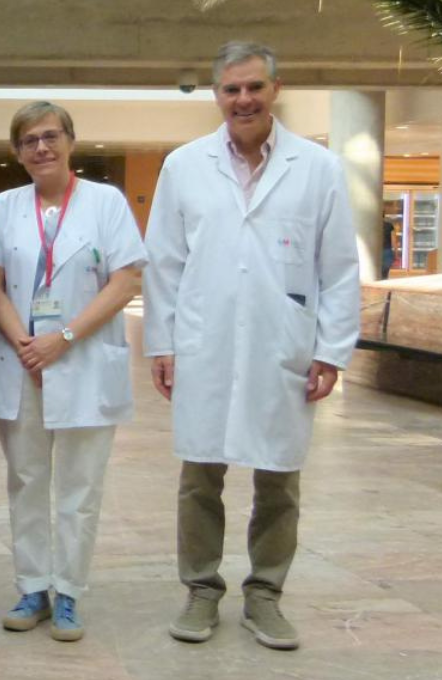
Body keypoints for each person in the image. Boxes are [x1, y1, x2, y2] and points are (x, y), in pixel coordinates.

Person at [144, 41, 360, 650]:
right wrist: (163, 343)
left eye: (254, 87)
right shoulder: (184, 165)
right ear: (216, 95)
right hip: (204, 342)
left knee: (279, 478)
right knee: (199, 476)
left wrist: (331, 350)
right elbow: (164, 262)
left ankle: (264, 593)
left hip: (282, 345)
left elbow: (338, 267)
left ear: (276, 89)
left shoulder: (317, 169)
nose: (243, 99)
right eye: (231, 89)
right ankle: (202, 589)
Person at [0, 101, 147, 641]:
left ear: (70, 141)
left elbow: (124, 282)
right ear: (17, 151)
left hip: (82, 360)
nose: (41, 148)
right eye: (29, 140)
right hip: (21, 360)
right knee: (27, 480)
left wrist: (64, 338)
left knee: (80, 487)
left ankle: (70, 591)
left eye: (51, 137)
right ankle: (33, 586)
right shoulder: (4, 206)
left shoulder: (105, 201)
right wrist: (26, 342)